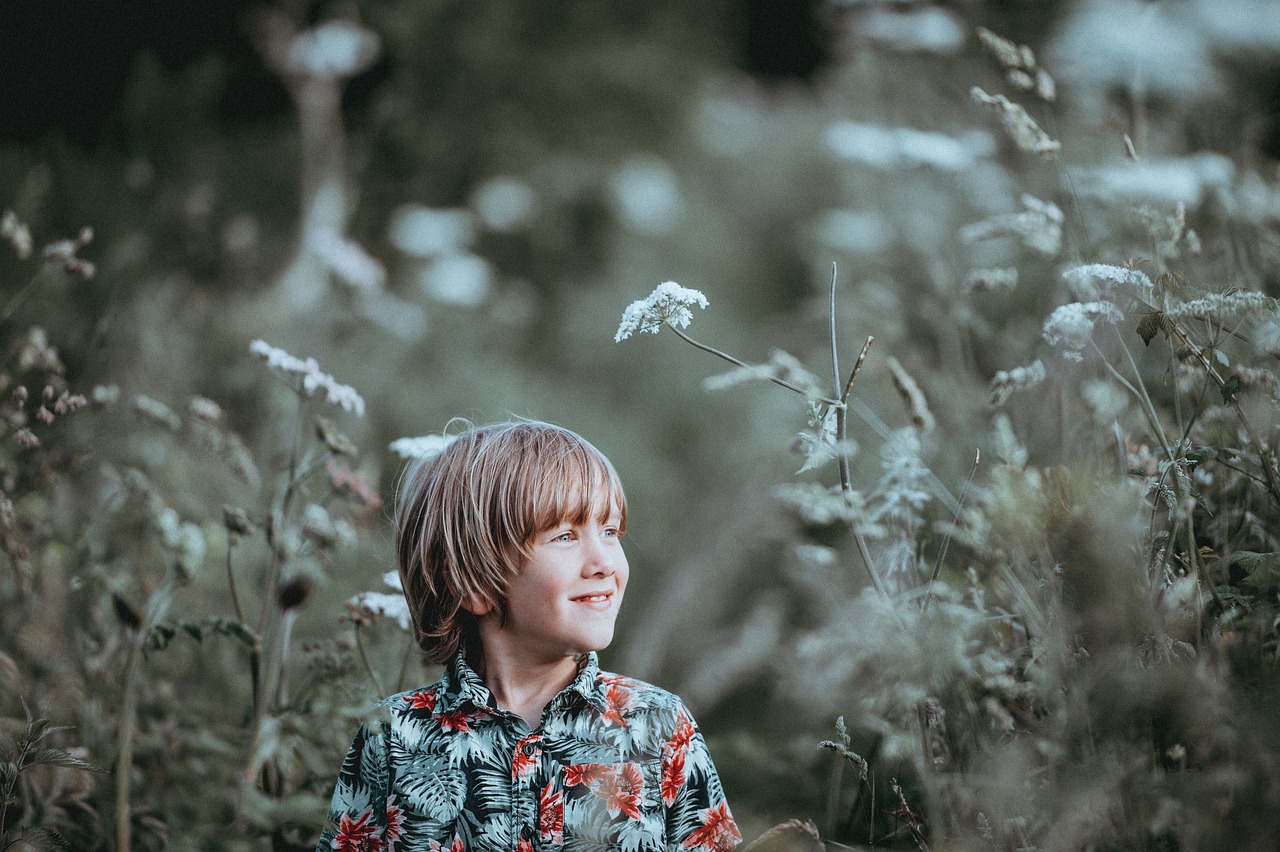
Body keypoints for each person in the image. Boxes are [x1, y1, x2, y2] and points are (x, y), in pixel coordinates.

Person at [316, 421, 741, 852]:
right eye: (565, 536)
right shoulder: (392, 738)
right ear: (472, 585)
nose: (604, 562)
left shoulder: (661, 727)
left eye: (610, 532)